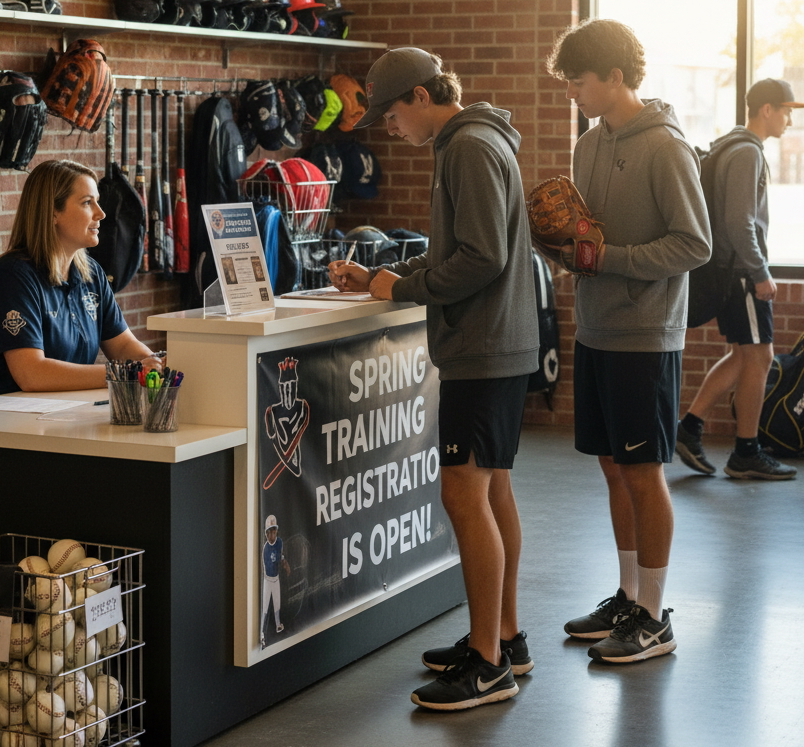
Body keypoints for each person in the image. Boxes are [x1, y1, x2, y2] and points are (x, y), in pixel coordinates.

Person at [329, 47, 539, 710]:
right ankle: (503, 638)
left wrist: (406, 286)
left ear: (422, 96)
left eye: (390, 115)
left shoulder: (468, 147)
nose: (389, 129)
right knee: (492, 487)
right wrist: (385, 279)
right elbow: (469, 250)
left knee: (463, 494)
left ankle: (485, 663)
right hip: (496, 343)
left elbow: (482, 256)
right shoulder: (476, 140)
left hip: (483, 347)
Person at [546, 20, 711, 663]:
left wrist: (607, 257)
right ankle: (627, 594)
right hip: (597, 328)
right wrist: (563, 249)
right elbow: (590, 238)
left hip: (646, 334)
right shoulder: (588, 145)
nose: (573, 94)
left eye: (579, 82)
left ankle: (654, 616)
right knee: (613, 467)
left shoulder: (668, 147)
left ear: (615, 77)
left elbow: (693, 244)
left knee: (644, 473)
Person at [676, 79, 800, 481]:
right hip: (742, 275)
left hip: (731, 272)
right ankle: (746, 451)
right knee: (760, 357)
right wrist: (760, 273)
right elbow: (738, 222)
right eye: (785, 110)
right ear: (766, 109)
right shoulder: (748, 152)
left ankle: (689, 429)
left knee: (744, 356)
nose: (789, 118)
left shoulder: (731, 145)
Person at [0, 160, 161, 397]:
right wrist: (127, 373)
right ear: (53, 212)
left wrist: (153, 363)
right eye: (87, 203)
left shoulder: (92, 273)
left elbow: (123, 345)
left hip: (59, 409)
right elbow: (32, 374)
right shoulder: (13, 276)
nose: (101, 213)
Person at [259, 514, 290, 649]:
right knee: (265, 608)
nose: (272, 534)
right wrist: (280, 562)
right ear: (266, 534)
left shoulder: (280, 542)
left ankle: (278, 625)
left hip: (276, 578)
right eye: (269, 532)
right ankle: (261, 632)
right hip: (268, 580)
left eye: (274, 531)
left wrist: (284, 563)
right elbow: (270, 564)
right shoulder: (266, 549)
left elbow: (280, 555)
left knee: (277, 603)